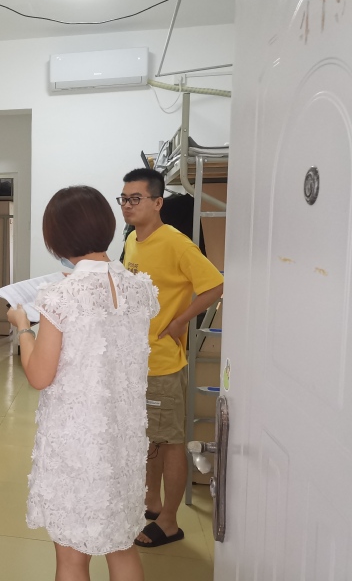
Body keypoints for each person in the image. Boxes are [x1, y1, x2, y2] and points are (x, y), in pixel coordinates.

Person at [7, 186, 158, 581]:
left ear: (56, 238)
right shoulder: (140, 288)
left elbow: (39, 375)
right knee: (122, 547)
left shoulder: (60, 295)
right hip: (122, 440)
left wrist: (23, 328)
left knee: (72, 559)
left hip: (77, 444)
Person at [119, 168, 224, 549]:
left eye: (136, 199)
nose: (127, 205)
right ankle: (152, 501)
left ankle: (168, 522)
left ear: (158, 202)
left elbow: (215, 285)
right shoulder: (132, 240)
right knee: (149, 438)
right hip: (136, 359)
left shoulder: (176, 243)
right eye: (124, 199)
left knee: (171, 441)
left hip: (162, 362)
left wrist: (181, 321)